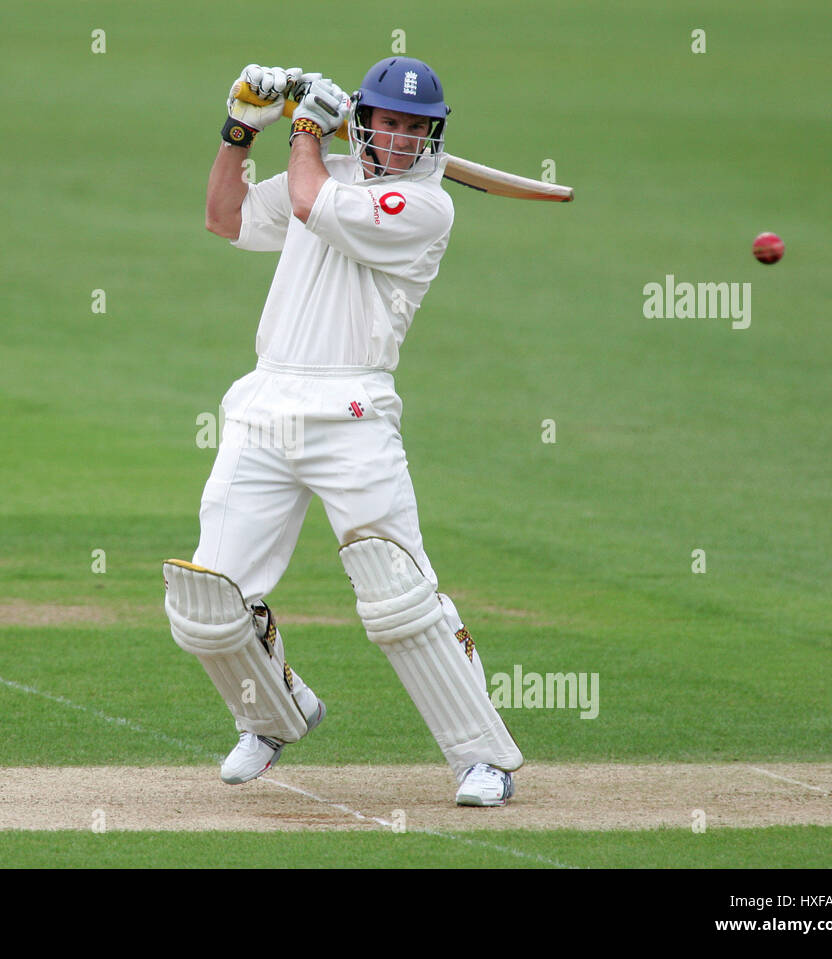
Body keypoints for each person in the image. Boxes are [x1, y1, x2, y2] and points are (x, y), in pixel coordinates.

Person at [162, 58, 523, 806]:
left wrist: (302, 131)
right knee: (208, 601)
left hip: (352, 413)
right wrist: (241, 129)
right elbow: (223, 218)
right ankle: (270, 716)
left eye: (416, 128)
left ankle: (481, 757)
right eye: (388, 121)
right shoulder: (322, 165)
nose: (400, 138)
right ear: (365, 119)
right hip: (264, 402)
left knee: (399, 596)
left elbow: (308, 201)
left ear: (433, 135)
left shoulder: (424, 206)